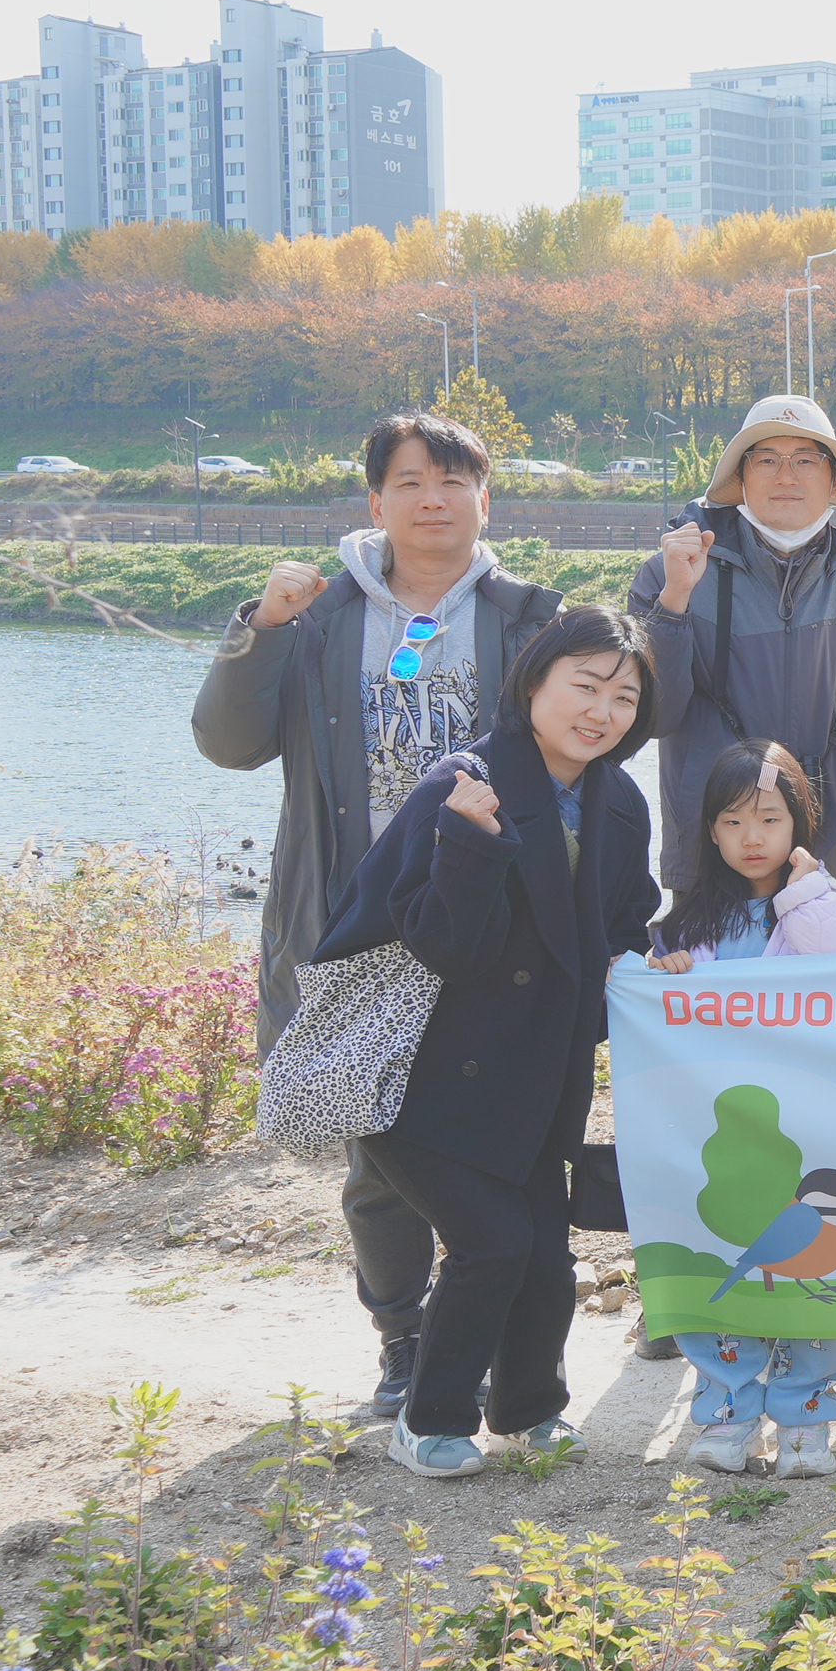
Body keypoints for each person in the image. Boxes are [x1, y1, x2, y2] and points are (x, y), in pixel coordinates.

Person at [192, 411, 563, 1424]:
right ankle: (403, 1340)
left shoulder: (531, 618)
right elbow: (228, 742)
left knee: (496, 1139)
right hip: (359, 920)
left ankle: (482, 1343)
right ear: (376, 501)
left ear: (486, 498)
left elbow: (590, 743)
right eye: (409, 480)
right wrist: (262, 629)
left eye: (453, 479)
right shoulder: (315, 617)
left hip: (489, 921)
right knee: (378, 1147)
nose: (432, 498)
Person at [307, 606, 662, 1480]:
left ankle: (529, 1409)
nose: (602, 711)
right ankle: (428, 1418)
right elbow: (443, 947)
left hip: (532, 1077)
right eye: (585, 685)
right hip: (418, 1080)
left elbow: (621, 927)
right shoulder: (462, 785)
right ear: (533, 683)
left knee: (545, 1253)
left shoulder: (619, 802)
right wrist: (469, 844)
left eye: (623, 697)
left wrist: (651, 966)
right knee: (494, 1245)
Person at [645, 740, 836, 1478]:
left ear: (800, 824)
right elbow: (657, 1018)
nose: (753, 838)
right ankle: (727, 1414)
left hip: (809, 1134)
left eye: (771, 819)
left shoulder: (827, 906)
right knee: (725, 1269)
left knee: (809, 1277)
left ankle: (806, 1418)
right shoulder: (686, 926)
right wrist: (660, 974)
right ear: (709, 831)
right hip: (721, 1139)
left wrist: (805, 895)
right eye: (733, 821)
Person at [631, 394, 836, 893]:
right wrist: (674, 603)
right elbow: (655, 717)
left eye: (805, 460)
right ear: (740, 478)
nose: (785, 476)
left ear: (834, 479)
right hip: (713, 845)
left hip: (833, 855)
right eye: (766, 460)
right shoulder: (669, 575)